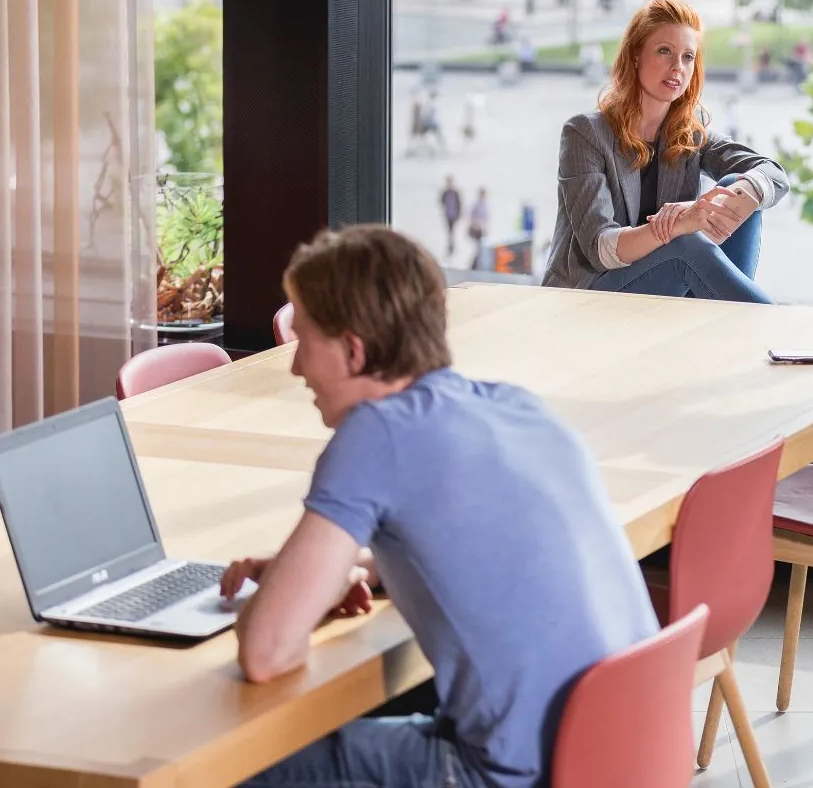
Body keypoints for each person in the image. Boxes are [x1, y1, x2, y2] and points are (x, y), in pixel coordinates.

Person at [223, 225, 657, 788]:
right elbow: (486, 546)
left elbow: (266, 654)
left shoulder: (375, 434)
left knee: (239, 766)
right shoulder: (518, 409)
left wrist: (275, 595)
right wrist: (317, 574)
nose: (295, 367)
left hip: (511, 776)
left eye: (303, 341)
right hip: (625, 755)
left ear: (354, 351)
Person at [543, 0, 789, 303]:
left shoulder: (689, 130)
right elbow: (600, 249)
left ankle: (728, 323)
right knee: (686, 246)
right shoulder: (585, 133)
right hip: (591, 296)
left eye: (688, 57)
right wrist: (679, 224)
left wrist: (747, 188)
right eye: (664, 51)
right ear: (635, 55)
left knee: (735, 190)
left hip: (663, 292)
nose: (677, 67)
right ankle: (767, 325)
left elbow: (772, 174)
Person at [440, 177, 463, 259]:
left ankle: (452, 244)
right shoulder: (445, 192)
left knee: (452, 230)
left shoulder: (455, 193)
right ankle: (450, 244)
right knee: (449, 230)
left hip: (454, 214)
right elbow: (441, 201)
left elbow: (459, 204)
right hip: (448, 214)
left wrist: (459, 214)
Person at [468, 187, 490, 267]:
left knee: (480, 248)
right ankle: (474, 264)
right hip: (475, 229)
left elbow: (486, 218)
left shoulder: (485, 204)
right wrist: (475, 224)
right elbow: (471, 216)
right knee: (479, 247)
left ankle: (476, 264)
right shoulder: (476, 204)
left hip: (482, 229)